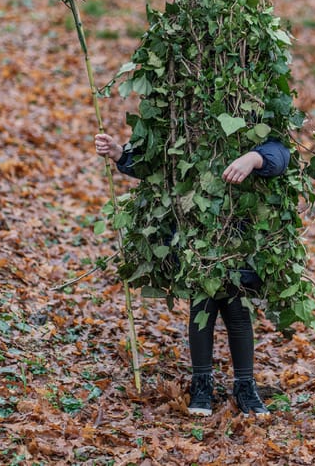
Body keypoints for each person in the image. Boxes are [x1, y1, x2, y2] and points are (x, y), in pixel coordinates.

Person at [95, 131, 290, 417]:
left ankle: (245, 385)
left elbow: (281, 154)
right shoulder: (183, 124)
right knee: (203, 304)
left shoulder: (250, 117)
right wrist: (120, 154)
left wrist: (254, 157)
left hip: (239, 228)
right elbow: (157, 167)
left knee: (237, 307)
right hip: (191, 230)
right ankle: (202, 383)